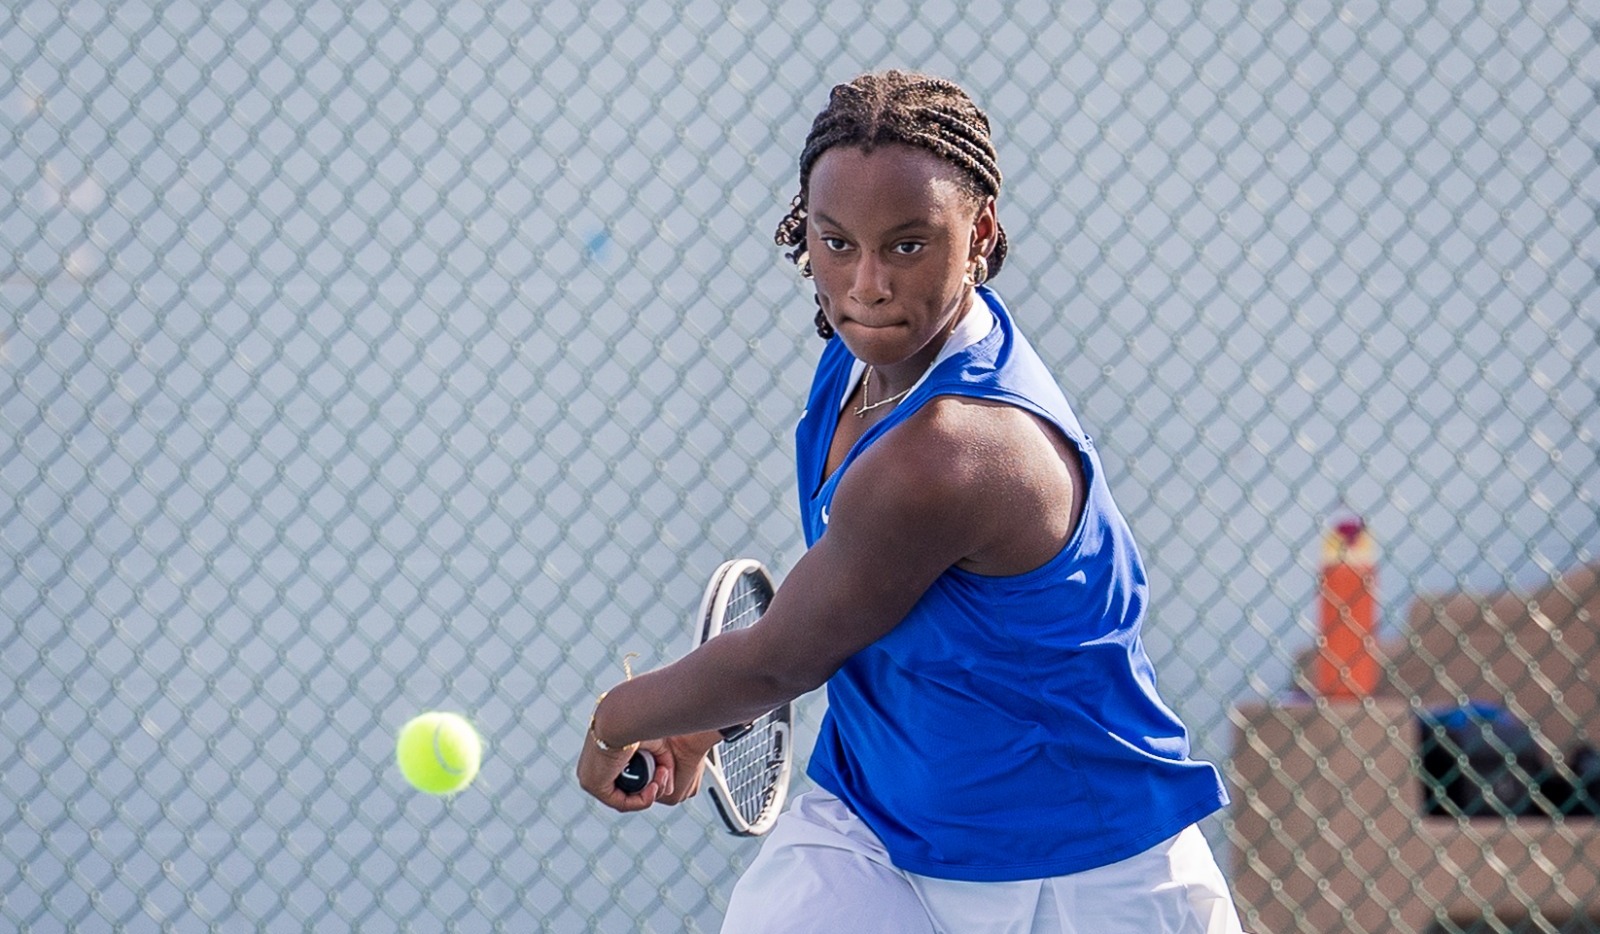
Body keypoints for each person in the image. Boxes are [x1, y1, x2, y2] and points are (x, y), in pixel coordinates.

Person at [576, 69, 1245, 934]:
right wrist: (711, 711)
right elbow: (846, 608)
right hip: (875, 825)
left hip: (1079, 864)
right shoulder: (854, 372)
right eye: (836, 242)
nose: (865, 285)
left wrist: (613, 723)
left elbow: (783, 659)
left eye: (907, 245)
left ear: (980, 235)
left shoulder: (955, 450)